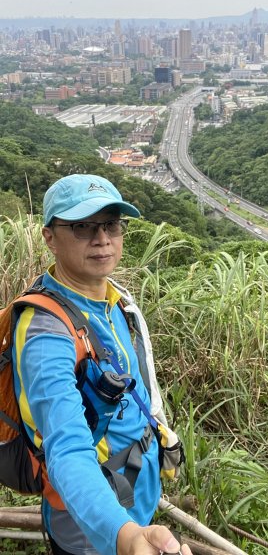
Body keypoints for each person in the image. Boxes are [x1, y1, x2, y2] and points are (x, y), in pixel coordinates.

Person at [12, 174, 191, 555]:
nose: (102, 238)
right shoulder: (46, 333)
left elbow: (139, 383)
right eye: (82, 226)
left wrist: (160, 432)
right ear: (49, 236)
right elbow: (67, 448)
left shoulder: (115, 298)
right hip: (93, 522)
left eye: (111, 224)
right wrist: (123, 535)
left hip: (136, 486)